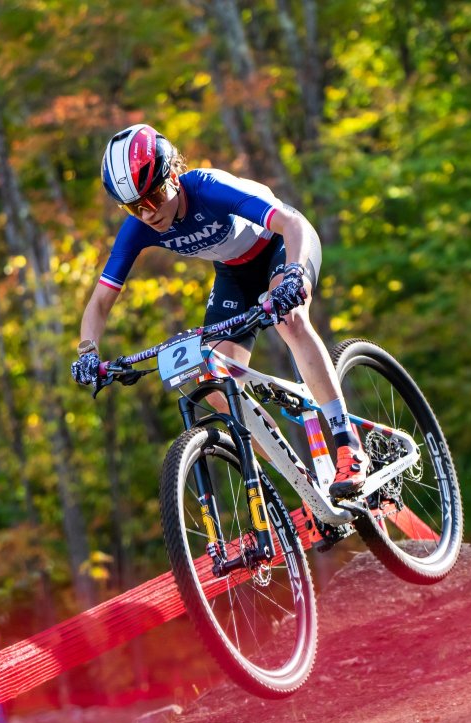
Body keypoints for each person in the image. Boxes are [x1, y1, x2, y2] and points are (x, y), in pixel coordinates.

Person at [70, 123, 368, 496]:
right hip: (235, 274)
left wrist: (293, 273)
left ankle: (348, 445)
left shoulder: (208, 188)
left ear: (173, 175)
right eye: (134, 207)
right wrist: (87, 352)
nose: (148, 213)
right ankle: (304, 486)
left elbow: (291, 223)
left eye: (153, 197)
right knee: (214, 380)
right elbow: (100, 301)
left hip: (282, 244)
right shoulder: (138, 229)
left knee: (289, 321)